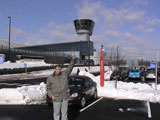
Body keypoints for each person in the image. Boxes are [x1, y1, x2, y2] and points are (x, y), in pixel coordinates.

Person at [46, 54, 75, 120]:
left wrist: (73, 59)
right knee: (56, 113)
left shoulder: (64, 74)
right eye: (57, 69)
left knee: (64, 113)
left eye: (59, 69)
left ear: (61, 69)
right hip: (56, 98)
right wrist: (51, 96)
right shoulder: (50, 77)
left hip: (65, 97)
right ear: (55, 69)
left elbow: (70, 67)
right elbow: (48, 88)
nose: (58, 70)